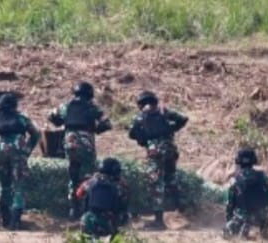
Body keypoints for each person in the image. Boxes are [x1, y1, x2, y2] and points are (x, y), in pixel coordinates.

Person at [49, 81, 113, 220]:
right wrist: (96, 129)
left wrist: (62, 123)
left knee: (73, 175)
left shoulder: (66, 106)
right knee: (88, 176)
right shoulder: (93, 108)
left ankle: (73, 209)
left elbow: (52, 116)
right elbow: (107, 123)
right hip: (86, 144)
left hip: (70, 144)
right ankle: (86, 209)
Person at [127, 91, 189, 229]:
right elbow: (183, 118)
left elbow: (131, 133)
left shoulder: (140, 116)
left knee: (156, 184)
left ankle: (159, 221)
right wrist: (171, 129)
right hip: (170, 148)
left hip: (155, 151)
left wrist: (142, 138)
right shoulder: (163, 110)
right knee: (171, 180)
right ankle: (182, 210)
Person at [0, 93, 42, 229]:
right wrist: (27, 150)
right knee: (18, 185)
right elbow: (35, 134)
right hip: (17, 151)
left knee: (3, 184)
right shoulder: (21, 118)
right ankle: (15, 221)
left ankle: (5, 218)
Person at [223, 148, 268, 239]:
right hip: (262, 217)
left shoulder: (234, 179)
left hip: (241, 217)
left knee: (227, 234)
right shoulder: (263, 176)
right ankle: (265, 232)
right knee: (266, 235)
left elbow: (229, 204)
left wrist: (229, 219)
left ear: (238, 161)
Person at [76, 157, 131, 239]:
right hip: (110, 223)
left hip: (89, 221)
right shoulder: (120, 185)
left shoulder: (91, 182)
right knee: (126, 216)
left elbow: (78, 194)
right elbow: (125, 201)